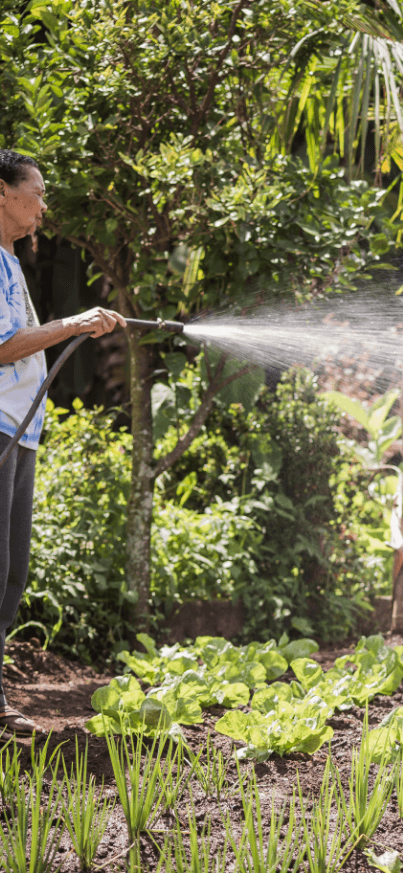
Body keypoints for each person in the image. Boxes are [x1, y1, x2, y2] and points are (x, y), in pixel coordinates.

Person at [0, 149, 127, 737]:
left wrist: (78, 324)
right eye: (38, 192)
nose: (44, 205)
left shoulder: (10, 262)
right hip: (0, 427)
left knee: (13, 573)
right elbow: (3, 347)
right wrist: (75, 324)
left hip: (21, 433)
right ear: (3, 193)